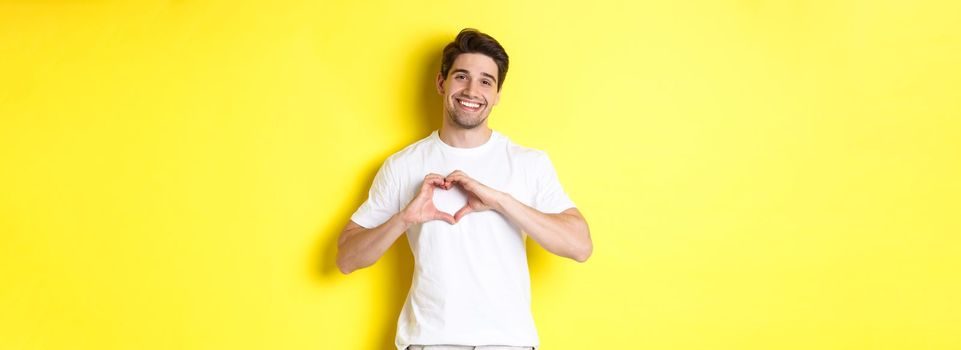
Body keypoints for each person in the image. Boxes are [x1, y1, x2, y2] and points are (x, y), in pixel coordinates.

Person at [336, 28, 592, 350]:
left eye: (486, 81)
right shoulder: (403, 166)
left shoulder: (529, 163)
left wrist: (500, 201)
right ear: (442, 83)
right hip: (429, 343)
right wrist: (405, 218)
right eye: (462, 76)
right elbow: (347, 258)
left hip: (508, 344)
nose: (472, 90)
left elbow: (580, 245)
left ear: (498, 94)